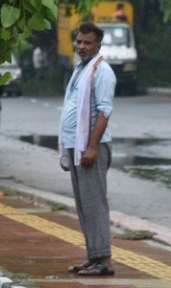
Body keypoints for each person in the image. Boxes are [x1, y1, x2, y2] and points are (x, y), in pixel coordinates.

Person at [58, 23, 116, 277]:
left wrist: (91, 146)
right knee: (84, 205)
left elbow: (104, 111)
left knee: (95, 204)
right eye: (79, 42)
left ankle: (105, 260)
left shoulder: (102, 71)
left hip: (91, 147)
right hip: (76, 146)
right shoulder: (81, 69)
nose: (82, 46)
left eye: (87, 43)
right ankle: (94, 257)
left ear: (98, 45)